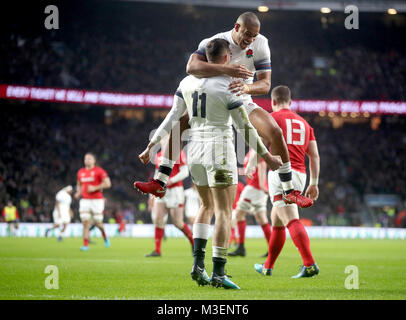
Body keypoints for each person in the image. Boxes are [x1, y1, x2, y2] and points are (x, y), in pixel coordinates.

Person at [136, 38, 282, 289]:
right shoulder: (229, 85)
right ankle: (219, 273)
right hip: (220, 152)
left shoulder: (186, 82)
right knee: (224, 212)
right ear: (227, 59)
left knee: (205, 206)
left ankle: (197, 266)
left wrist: (152, 145)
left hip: (195, 153)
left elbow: (173, 117)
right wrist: (267, 157)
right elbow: (245, 127)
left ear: (204, 57)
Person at [134, 11, 313, 209]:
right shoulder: (215, 41)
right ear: (236, 27)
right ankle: (159, 182)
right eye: (247, 34)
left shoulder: (261, 43)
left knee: (275, 131)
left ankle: (289, 191)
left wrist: (246, 87)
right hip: (214, 96)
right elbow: (191, 67)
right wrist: (228, 70)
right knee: (181, 123)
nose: (250, 40)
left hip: (241, 97)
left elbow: (265, 84)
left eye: (253, 36)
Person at [254, 85, 320, 278]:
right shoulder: (305, 124)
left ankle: (309, 264)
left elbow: (259, 145)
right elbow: (314, 156)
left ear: (273, 102)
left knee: (290, 219)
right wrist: (314, 183)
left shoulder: (272, 118)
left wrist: (251, 163)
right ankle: (268, 267)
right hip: (301, 174)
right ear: (290, 102)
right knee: (277, 221)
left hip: (281, 173)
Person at [145, 150, 193, 257]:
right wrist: (152, 194)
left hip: (175, 191)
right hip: (161, 191)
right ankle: (157, 250)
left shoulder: (178, 153)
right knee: (158, 218)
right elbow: (157, 174)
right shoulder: (158, 155)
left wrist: (171, 180)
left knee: (177, 222)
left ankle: (193, 241)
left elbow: (185, 172)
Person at [228, 149, 271, 257]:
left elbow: (261, 167)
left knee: (238, 214)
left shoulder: (257, 151)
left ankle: (240, 247)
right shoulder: (250, 152)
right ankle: (273, 248)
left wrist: (262, 186)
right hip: (256, 189)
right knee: (262, 219)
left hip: (254, 188)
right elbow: (251, 170)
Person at [74, 152, 112, 251]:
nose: (87, 160)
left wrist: (95, 187)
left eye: (89, 158)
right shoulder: (80, 172)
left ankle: (105, 237)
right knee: (85, 222)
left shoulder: (99, 171)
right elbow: (79, 184)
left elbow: (108, 184)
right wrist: (78, 192)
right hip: (85, 200)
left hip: (97, 200)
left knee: (98, 223)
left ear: (94, 161)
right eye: (85, 158)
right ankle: (85, 245)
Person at [230, 180, 245, 246]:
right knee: (232, 226)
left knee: (232, 226)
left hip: (235, 208)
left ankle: (230, 242)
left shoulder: (238, 185)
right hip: (231, 208)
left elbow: (244, 195)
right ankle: (236, 242)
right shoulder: (239, 184)